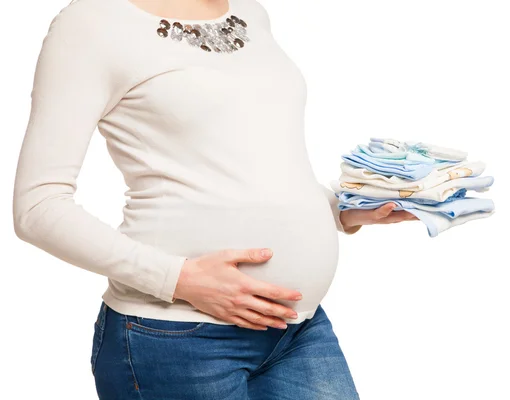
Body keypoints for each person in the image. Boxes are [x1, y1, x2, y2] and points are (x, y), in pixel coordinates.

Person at [12, 0, 417, 398]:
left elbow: (252, 164)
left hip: (297, 330)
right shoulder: (92, 22)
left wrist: (343, 211)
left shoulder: (250, 12)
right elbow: (38, 207)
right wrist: (178, 279)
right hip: (176, 337)